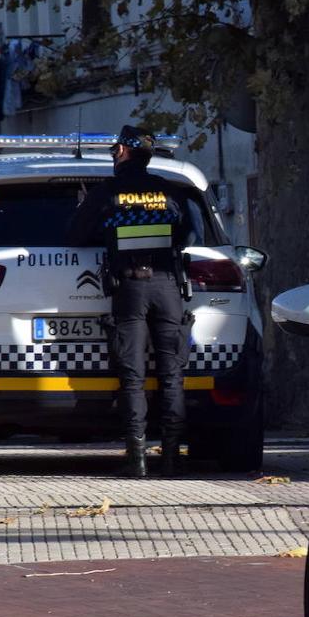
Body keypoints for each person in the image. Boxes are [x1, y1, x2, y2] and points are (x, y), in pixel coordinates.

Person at [68, 125, 193, 478]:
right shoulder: (168, 192)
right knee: (172, 377)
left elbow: (75, 237)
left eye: (114, 150)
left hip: (130, 289)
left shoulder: (108, 193)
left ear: (122, 152)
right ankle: (171, 458)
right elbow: (187, 234)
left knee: (133, 377)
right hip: (168, 287)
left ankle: (137, 459)